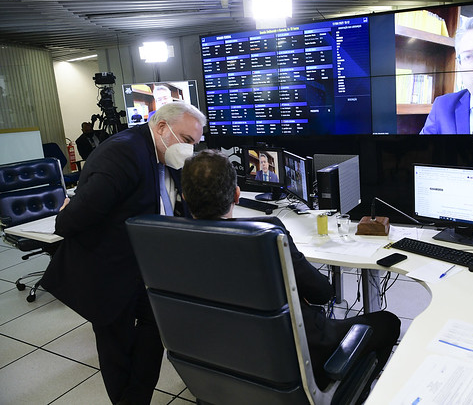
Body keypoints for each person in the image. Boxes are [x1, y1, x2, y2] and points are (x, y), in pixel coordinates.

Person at [181, 149, 400, 399]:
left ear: (185, 197)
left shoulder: (168, 241)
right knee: (388, 323)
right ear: (237, 195)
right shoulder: (267, 233)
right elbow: (322, 293)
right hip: (294, 356)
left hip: (224, 356)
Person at [41, 102, 206, 404]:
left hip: (148, 268)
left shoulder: (165, 155)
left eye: (194, 143)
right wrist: (66, 211)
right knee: (115, 346)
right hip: (109, 270)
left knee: (156, 328)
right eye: (186, 140)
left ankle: (136, 396)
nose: (189, 149)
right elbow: (69, 222)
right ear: (161, 127)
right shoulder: (123, 153)